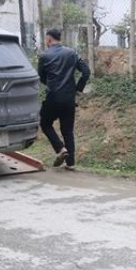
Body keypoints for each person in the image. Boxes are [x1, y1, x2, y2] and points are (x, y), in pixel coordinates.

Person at [38, 28, 91, 171]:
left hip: (53, 98)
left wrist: (51, 85)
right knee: (68, 130)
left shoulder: (44, 56)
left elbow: (41, 77)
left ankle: (60, 149)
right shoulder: (72, 53)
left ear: (49, 39)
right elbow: (86, 71)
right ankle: (71, 163)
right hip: (69, 98)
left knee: (44, 123)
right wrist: (78, 88)